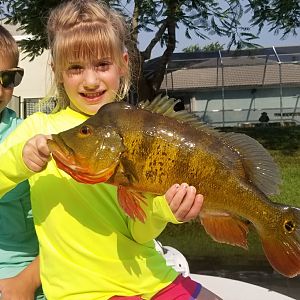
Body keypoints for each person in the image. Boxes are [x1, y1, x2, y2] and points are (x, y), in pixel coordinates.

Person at [0, 1, 221, 299]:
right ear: (57, 72)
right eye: (75, 68)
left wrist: (165, 210)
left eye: (102, 65)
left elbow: (139, 232)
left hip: (152, 279)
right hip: (83, 291)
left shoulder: (141, 128)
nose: (90, 81)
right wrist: (21, 159)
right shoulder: (39, 130)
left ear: (123, 63)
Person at [0, 25, 44, 299]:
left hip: (21, 277)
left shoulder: (29, 138)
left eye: (7, 78)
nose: (0, 88)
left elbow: (62, 229)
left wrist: (27, 282)